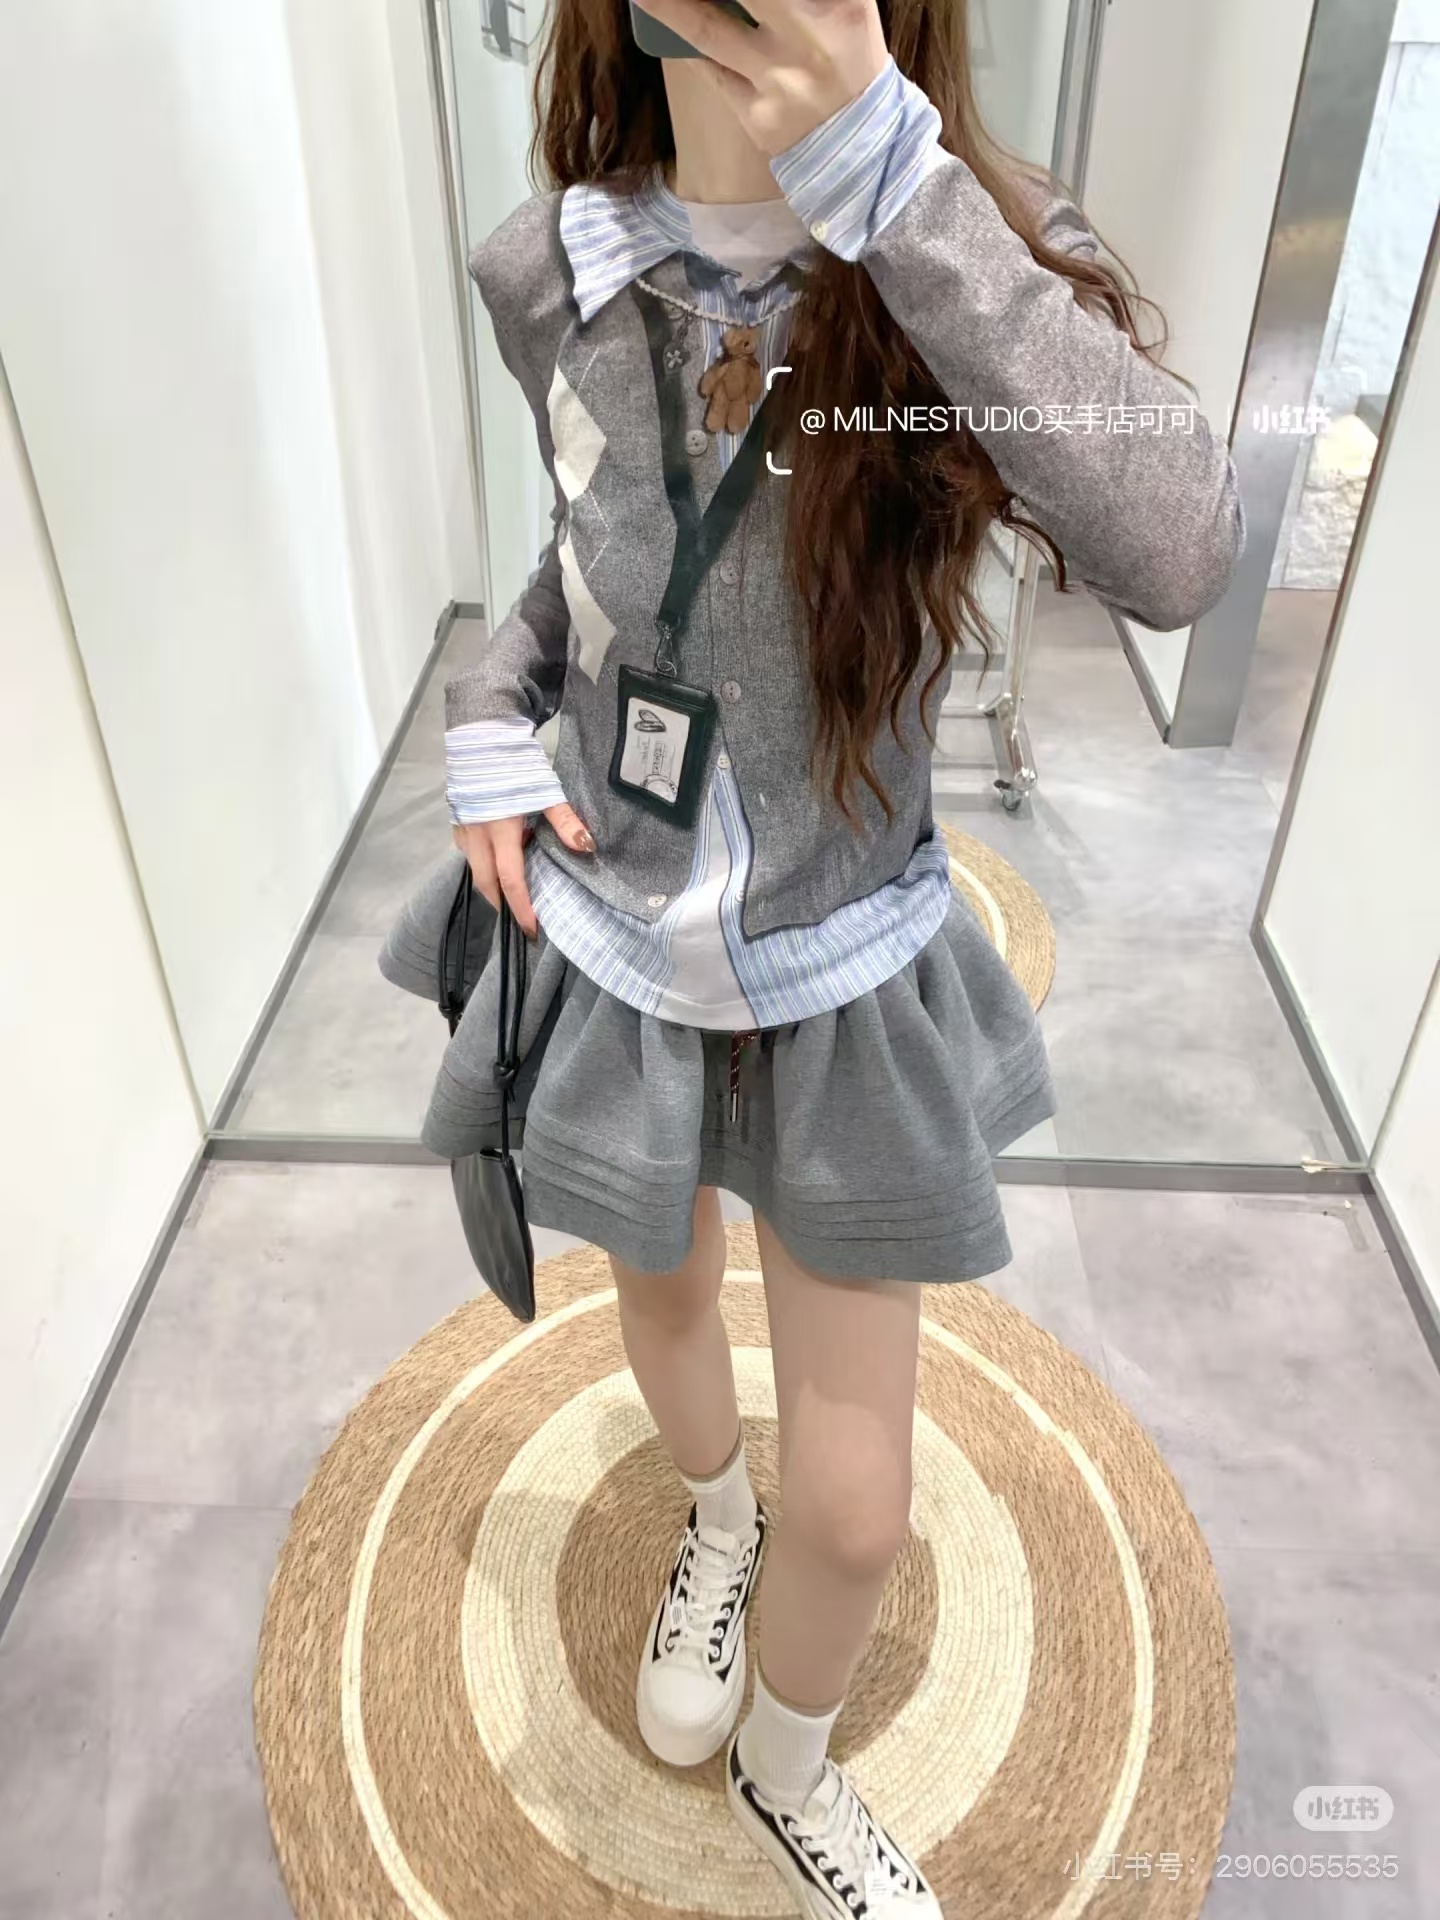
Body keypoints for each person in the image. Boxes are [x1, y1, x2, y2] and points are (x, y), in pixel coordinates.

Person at [441, 0, 1243, 1910]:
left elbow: (1185, 553)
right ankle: (712, 1520)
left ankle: (787, 1767)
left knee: (862, 1507)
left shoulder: (955, 242)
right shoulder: (554, 263)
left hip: (837, 974)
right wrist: (491, 705)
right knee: (659, 1310)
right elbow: (582, 541)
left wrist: (897, 187)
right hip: (620, 947)